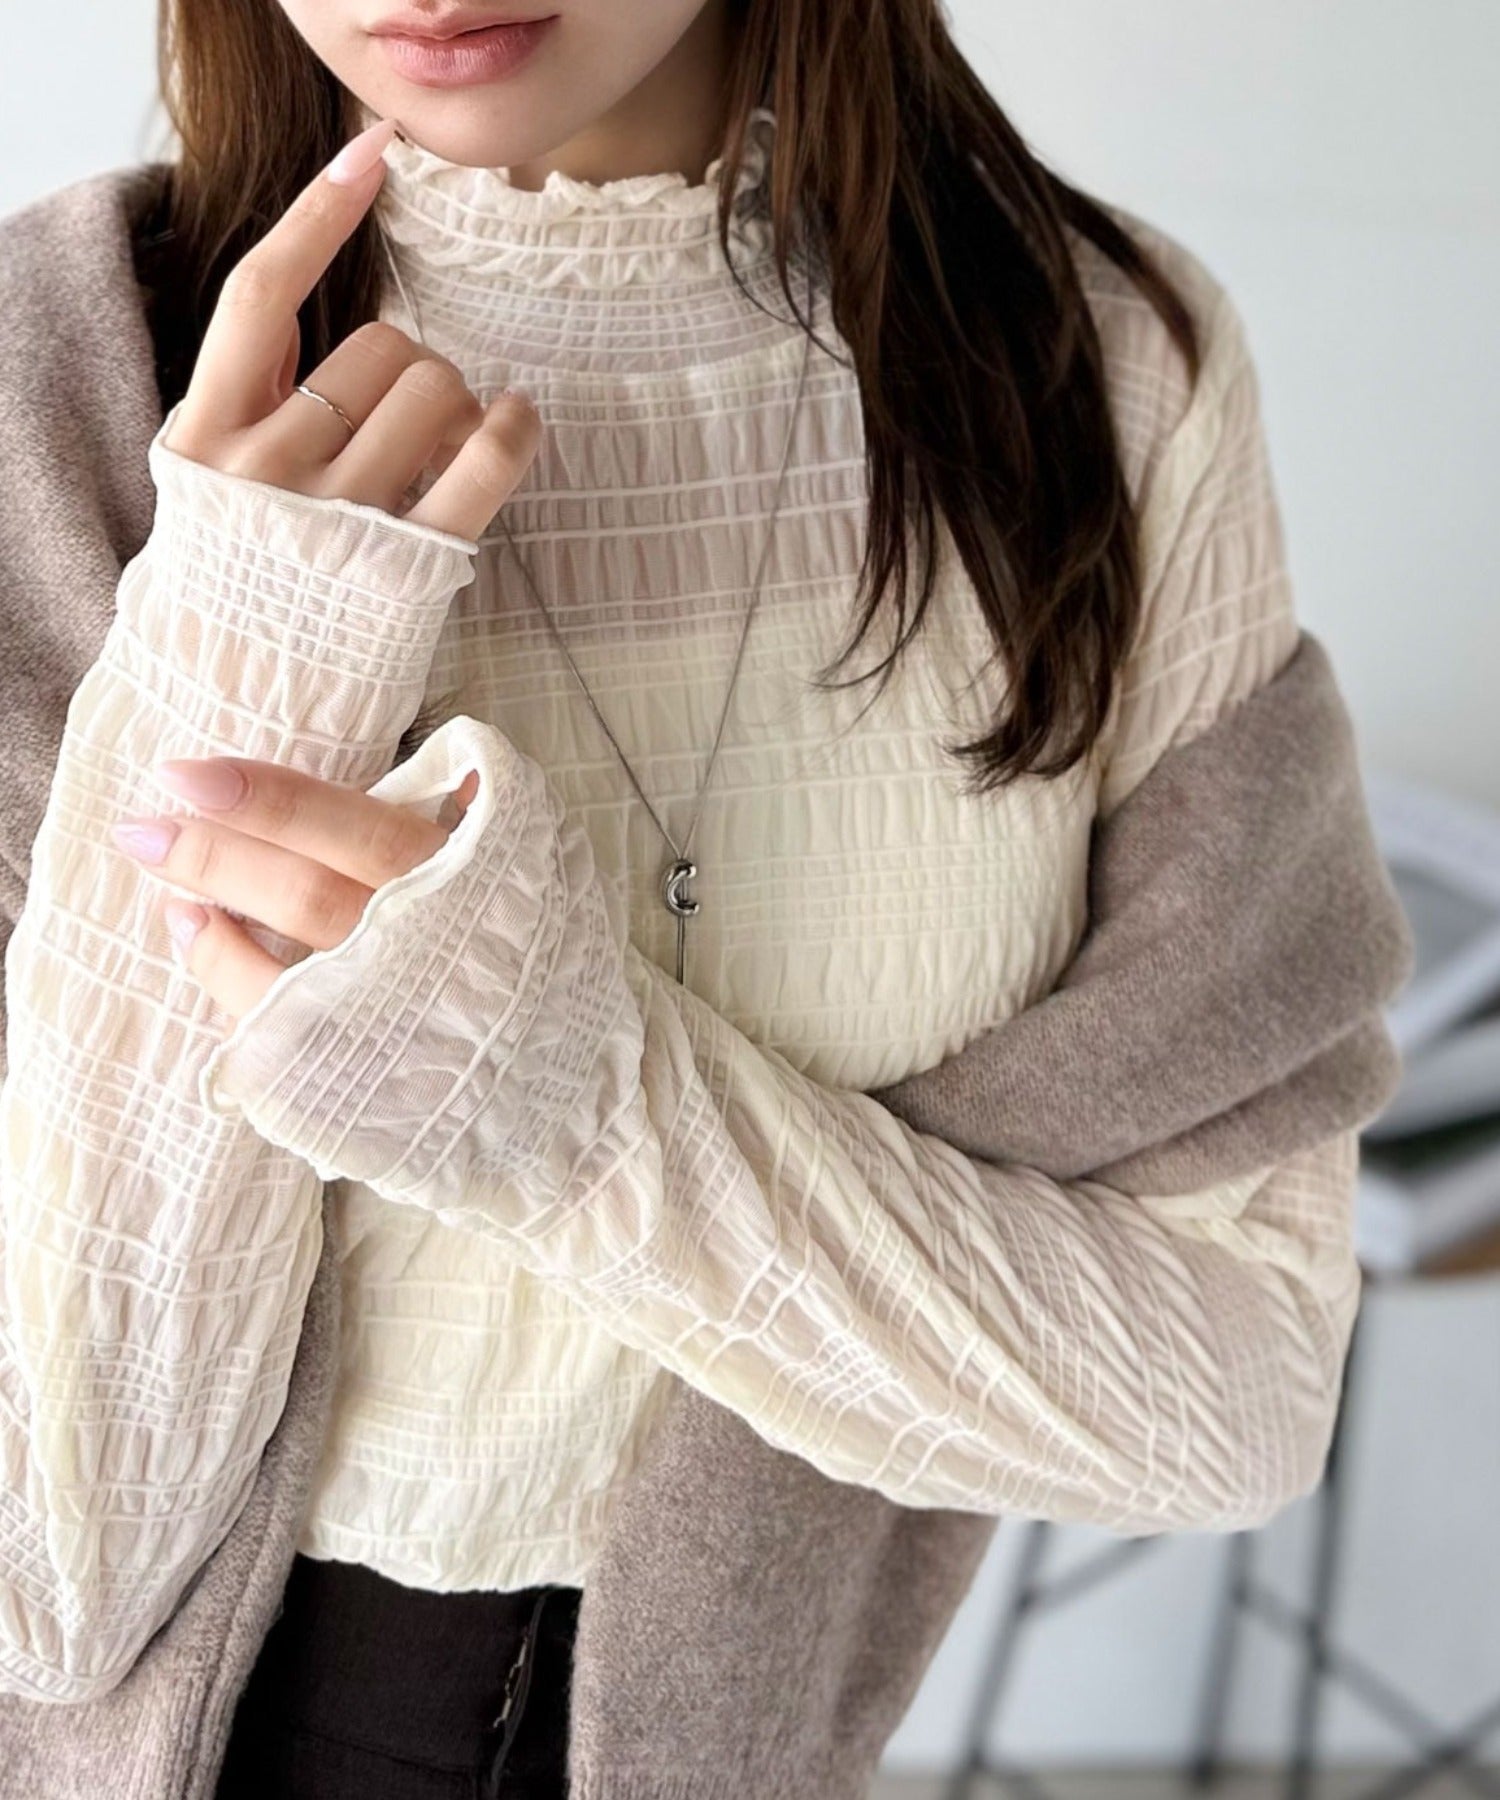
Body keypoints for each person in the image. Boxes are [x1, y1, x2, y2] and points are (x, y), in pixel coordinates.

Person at [0, 1, 1413, 1796]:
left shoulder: (1110, 370)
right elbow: (43, 1581)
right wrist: (244, 647)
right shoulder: (59, 373)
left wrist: (571, 1103)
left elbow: (1243, 1394)